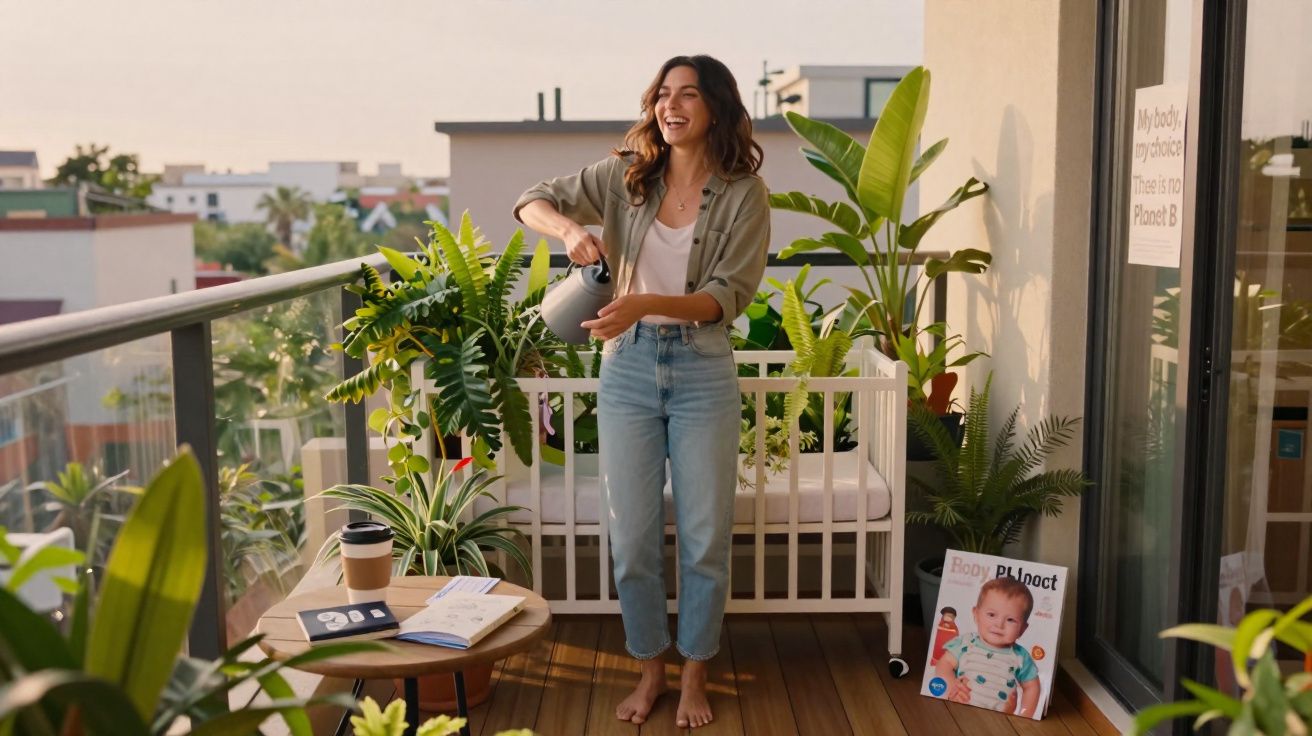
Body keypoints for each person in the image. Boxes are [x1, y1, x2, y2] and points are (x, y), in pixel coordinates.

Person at [513, 54, 769, 729]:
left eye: (688, 94)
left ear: (715, 107)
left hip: (701, 371)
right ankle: (649, 668)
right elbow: (529, 200)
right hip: (625, 369)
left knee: (706, 537)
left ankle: (694, 676)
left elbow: (727, 297)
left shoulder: (744, 193)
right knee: (630, 537)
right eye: (663, 93)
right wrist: (572, 231)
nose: (671, 105)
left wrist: (641, 302)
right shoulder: (627, 177)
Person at [933, 577, 1041, 717]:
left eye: (1010, 620)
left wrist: (1024, 715)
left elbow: (1032, 687)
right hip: (959, 707)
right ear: (976, 614)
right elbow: (944, 664)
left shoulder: (1020, 656)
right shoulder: (966, 642)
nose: (999, 625)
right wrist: (951, 687)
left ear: (1022, 629)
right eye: (991, 615)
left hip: (1000, 716)